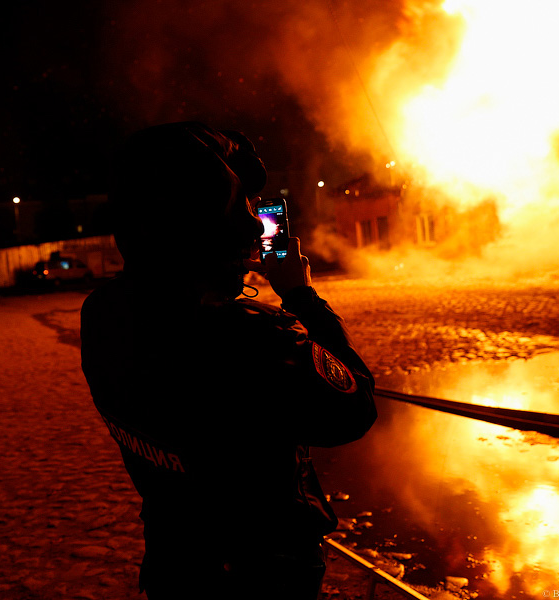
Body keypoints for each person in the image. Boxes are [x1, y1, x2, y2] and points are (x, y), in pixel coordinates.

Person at [79, 121, 377, 600]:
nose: (255, 225)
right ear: (207, 223)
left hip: (174, 556)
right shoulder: (252, 336)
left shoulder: (103, 312)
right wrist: (301, 297)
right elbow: (354, 408)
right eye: (241, 208)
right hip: (262, 572)